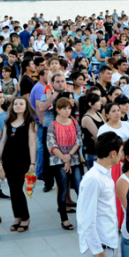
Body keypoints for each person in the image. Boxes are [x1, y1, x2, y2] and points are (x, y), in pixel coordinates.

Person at [77, 131, 124, 257]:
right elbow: (86, 220)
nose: (122, 156)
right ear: (113, 153)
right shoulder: (93, 179)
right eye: (121, 152)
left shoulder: (105, 174)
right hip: (99, 248)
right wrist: (99, 253)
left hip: (109, 244)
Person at [0, 97, 36, 233]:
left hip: (22, 159)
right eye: (16, 104)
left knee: (18, 189)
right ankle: (17, 216)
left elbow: (32, 143)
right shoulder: (8, 121)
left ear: (26, 106)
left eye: (21, 104)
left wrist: (32, 162)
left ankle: (25, 217)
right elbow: (3, 141)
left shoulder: (30, 122)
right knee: (12, 189)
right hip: (8, 158)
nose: (18, 106)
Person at [46, 97, 83, 230]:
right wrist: (64, 159)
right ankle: (64, 219)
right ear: (58, 109)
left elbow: (79, 140)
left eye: (69, 108)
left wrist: (70, 155)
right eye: (64, 108)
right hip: (57, 160)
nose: (67, 111)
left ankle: (84, 217)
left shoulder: (74, 122)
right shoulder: (53, 125)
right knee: (62, 189)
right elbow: (51, 145)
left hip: (74, 158)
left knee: (80, 188)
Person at [80, 93, 104, 170]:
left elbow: (107, 129)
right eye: (98, 101)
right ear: (90, 104)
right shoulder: (86, 118)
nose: (101, 103)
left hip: (101, 150)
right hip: (92, 151)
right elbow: (98, 135)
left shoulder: (99, 114)